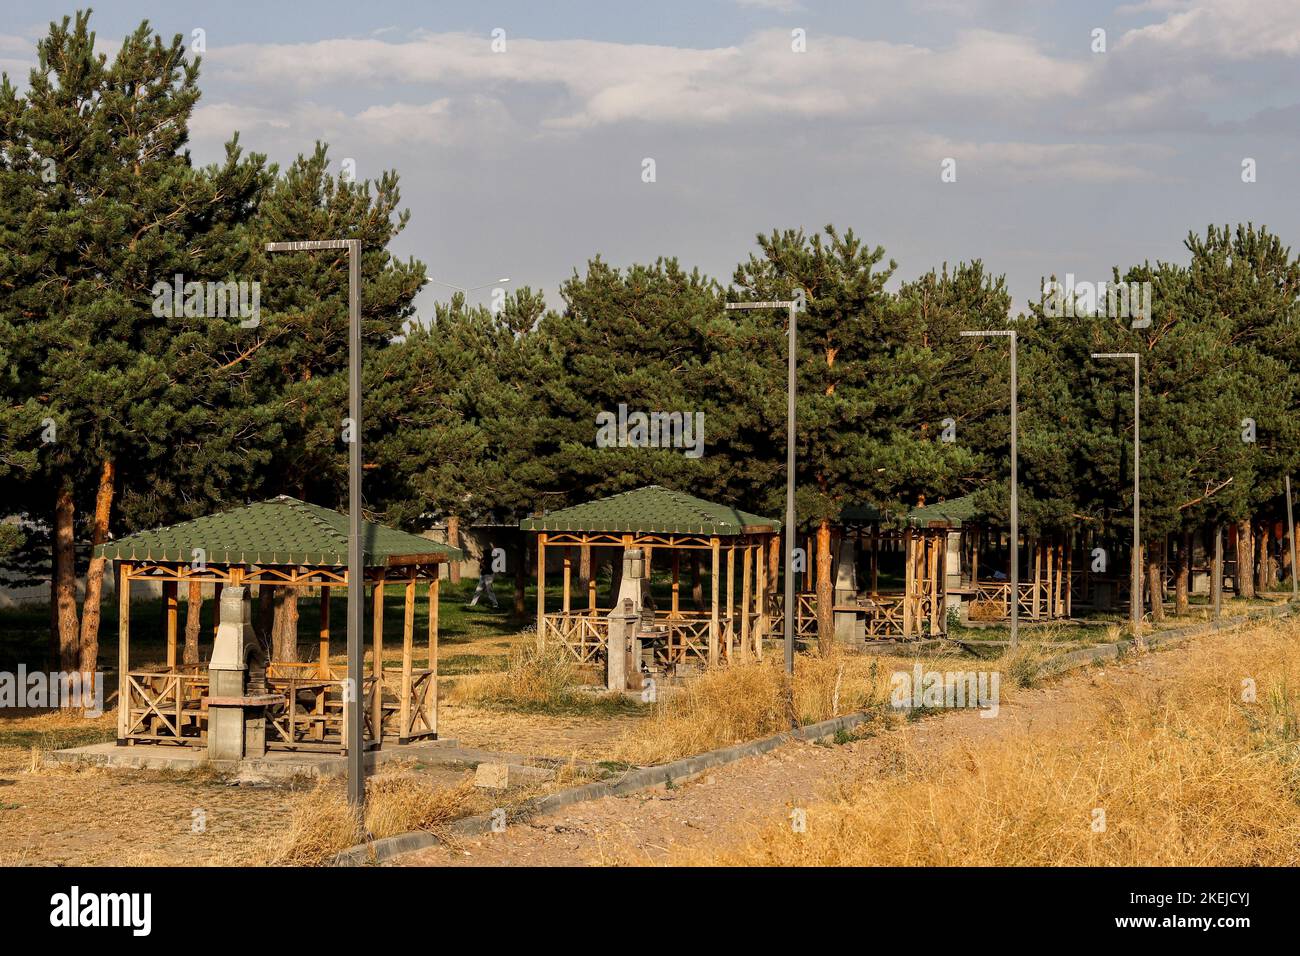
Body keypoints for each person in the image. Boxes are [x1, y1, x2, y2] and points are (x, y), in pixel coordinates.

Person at [468, 544, 500, 608]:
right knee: (478, 590)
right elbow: (481, 567)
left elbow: (486, 567)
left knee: (489, 590)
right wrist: (480, 561)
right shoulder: (483, 558)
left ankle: (495, 604)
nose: (483, 554)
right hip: (483, 575)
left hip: (488, 576)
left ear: (487, 554)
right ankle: (472, 604)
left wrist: (480, 561)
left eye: (484, 553)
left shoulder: (490, 559)